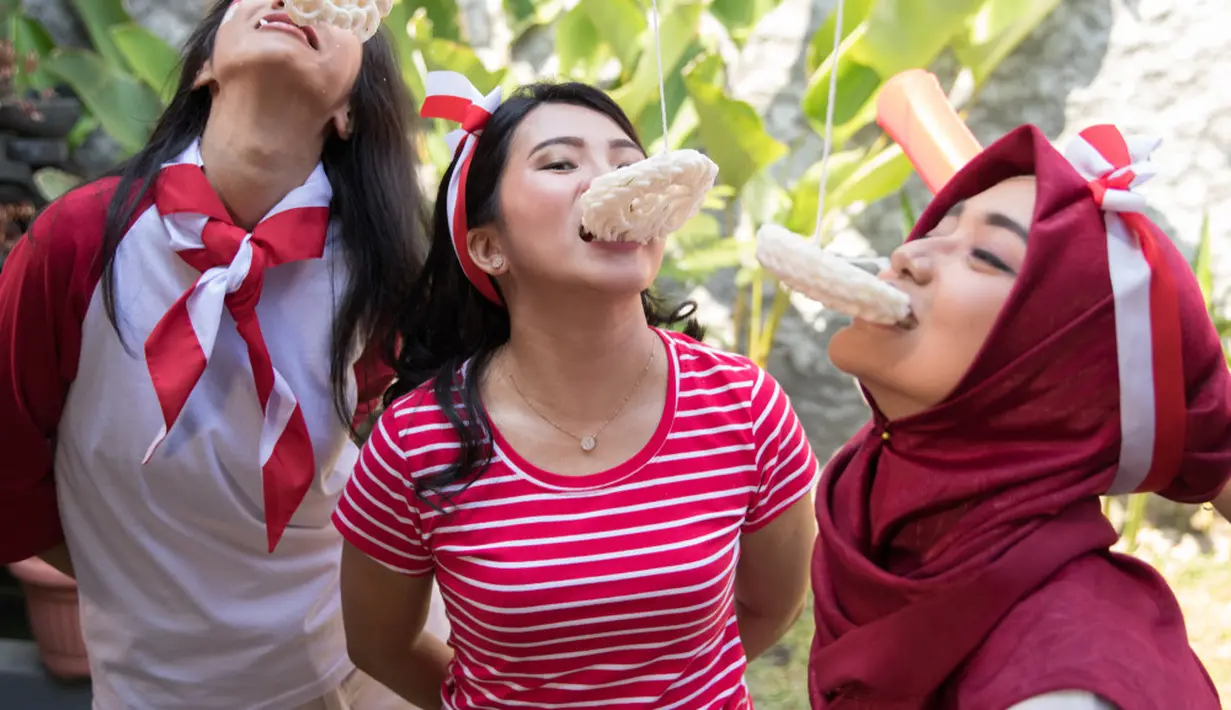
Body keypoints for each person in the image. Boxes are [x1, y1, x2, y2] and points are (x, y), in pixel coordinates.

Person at [0, 1, 449, 707]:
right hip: (152, 690)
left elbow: (419, 477)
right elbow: (8, 477)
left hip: (354, 674)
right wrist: (146, 575)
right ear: (205, 65)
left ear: (349, 113)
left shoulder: (380, 280)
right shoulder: (78, 244)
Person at [331, 73, 820, 709]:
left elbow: (772, 605)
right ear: (487, 246)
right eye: (560, 162)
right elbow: (380, 645)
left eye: (629, 164)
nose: (609, 182)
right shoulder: (413, 443)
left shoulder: (745, 406)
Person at [807, 123, 1230, 709]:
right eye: (941, 227)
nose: (907, 254)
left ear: (1048, 374)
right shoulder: (891, 533)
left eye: (985, 254)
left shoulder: (1064, 677)